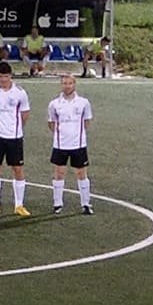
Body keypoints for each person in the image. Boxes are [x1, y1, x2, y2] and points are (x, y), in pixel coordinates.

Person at [0, 61, 32, 216]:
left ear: (11, 76)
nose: (3, 79)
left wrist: (14, 128)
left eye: (6, 76)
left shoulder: (20, 93)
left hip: (15, 137)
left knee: (18, 169)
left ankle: (19, 205)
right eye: (1, 76)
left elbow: (24, 115)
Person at [46, 74, 96, 215]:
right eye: (64, 83)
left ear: (74, 84)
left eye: (69, 83)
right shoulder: (54, 104)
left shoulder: (83, 103)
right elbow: (51, 123)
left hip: (78, 144)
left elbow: (86, 122)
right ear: (61, 85)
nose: (67, 86)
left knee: (81, 173)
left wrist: (76, 134)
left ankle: (85, 203)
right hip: (60, 145)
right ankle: (57, 203)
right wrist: (61, 135)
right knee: (59, 172)